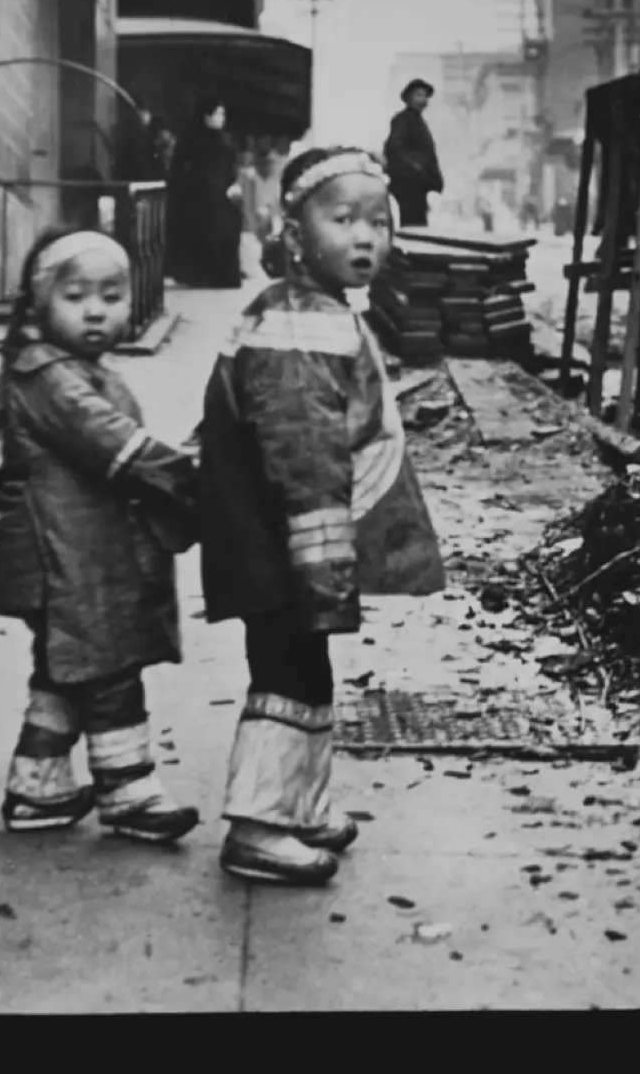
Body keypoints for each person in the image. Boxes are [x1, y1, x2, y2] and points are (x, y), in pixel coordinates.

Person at [198, 146, 446, 886]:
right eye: (342, 219)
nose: (364, 237)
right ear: (296, 234)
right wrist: (324, 568)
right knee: (286, 678)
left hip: (278, 543)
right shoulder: (302, 330)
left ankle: (299, 806)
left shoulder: (313, 310)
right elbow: (304, 465)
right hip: (284, 546)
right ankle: (259, 827)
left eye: (378, 221)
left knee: (304, 671)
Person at [0, 226, 201, 843]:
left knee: (65, 669)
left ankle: (38, 785)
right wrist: (189, 479)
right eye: (77, 295)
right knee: (108, 665)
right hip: (65, 557)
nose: (97, 309)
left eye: (111, 294)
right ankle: (128, 790)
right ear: (39, 302)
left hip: (76, 552)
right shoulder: (50, 377)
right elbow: (112, 441)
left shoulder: (67, 367)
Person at [165, 94, 243, 288]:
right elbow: (180, 171)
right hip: (197, 201)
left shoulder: (225, 141)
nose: (221, 118)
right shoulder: (191, 140)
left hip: (218, 199)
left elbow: (230, 169)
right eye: (217, 114)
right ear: (206, 116)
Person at [383, 78, 445, 227]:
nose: (422, 99)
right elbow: (393, 148)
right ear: (409, 98)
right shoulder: (401, 120)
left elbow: (430, 155)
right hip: (408, 185)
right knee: (413, 226)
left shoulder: (420, 122)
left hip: (420, 186)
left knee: (419, 224)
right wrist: (415, 168)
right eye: (418, 95)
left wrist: (435, 179)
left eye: (425, 96)